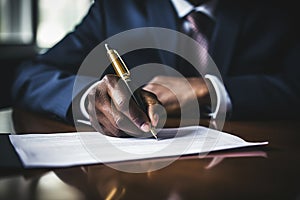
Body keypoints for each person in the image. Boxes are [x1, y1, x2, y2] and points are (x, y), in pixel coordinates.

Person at [12, 0, 300, 137]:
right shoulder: (114, 9)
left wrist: (208, 90)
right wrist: (89, 100)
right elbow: (31, 76)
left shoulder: (281, 10)